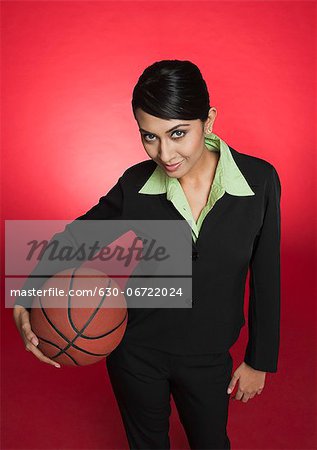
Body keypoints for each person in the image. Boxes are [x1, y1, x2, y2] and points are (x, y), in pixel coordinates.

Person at [13, 59, 281, 450]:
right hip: (135, 352)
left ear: (209, 120)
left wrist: (260, 360)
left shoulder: (260, 181)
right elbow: (73, 239)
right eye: (149, 136)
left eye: (177, 133)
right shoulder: (135, 185)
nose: (164, 153)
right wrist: (25, 294)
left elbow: (266, 274)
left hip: (208, 356)